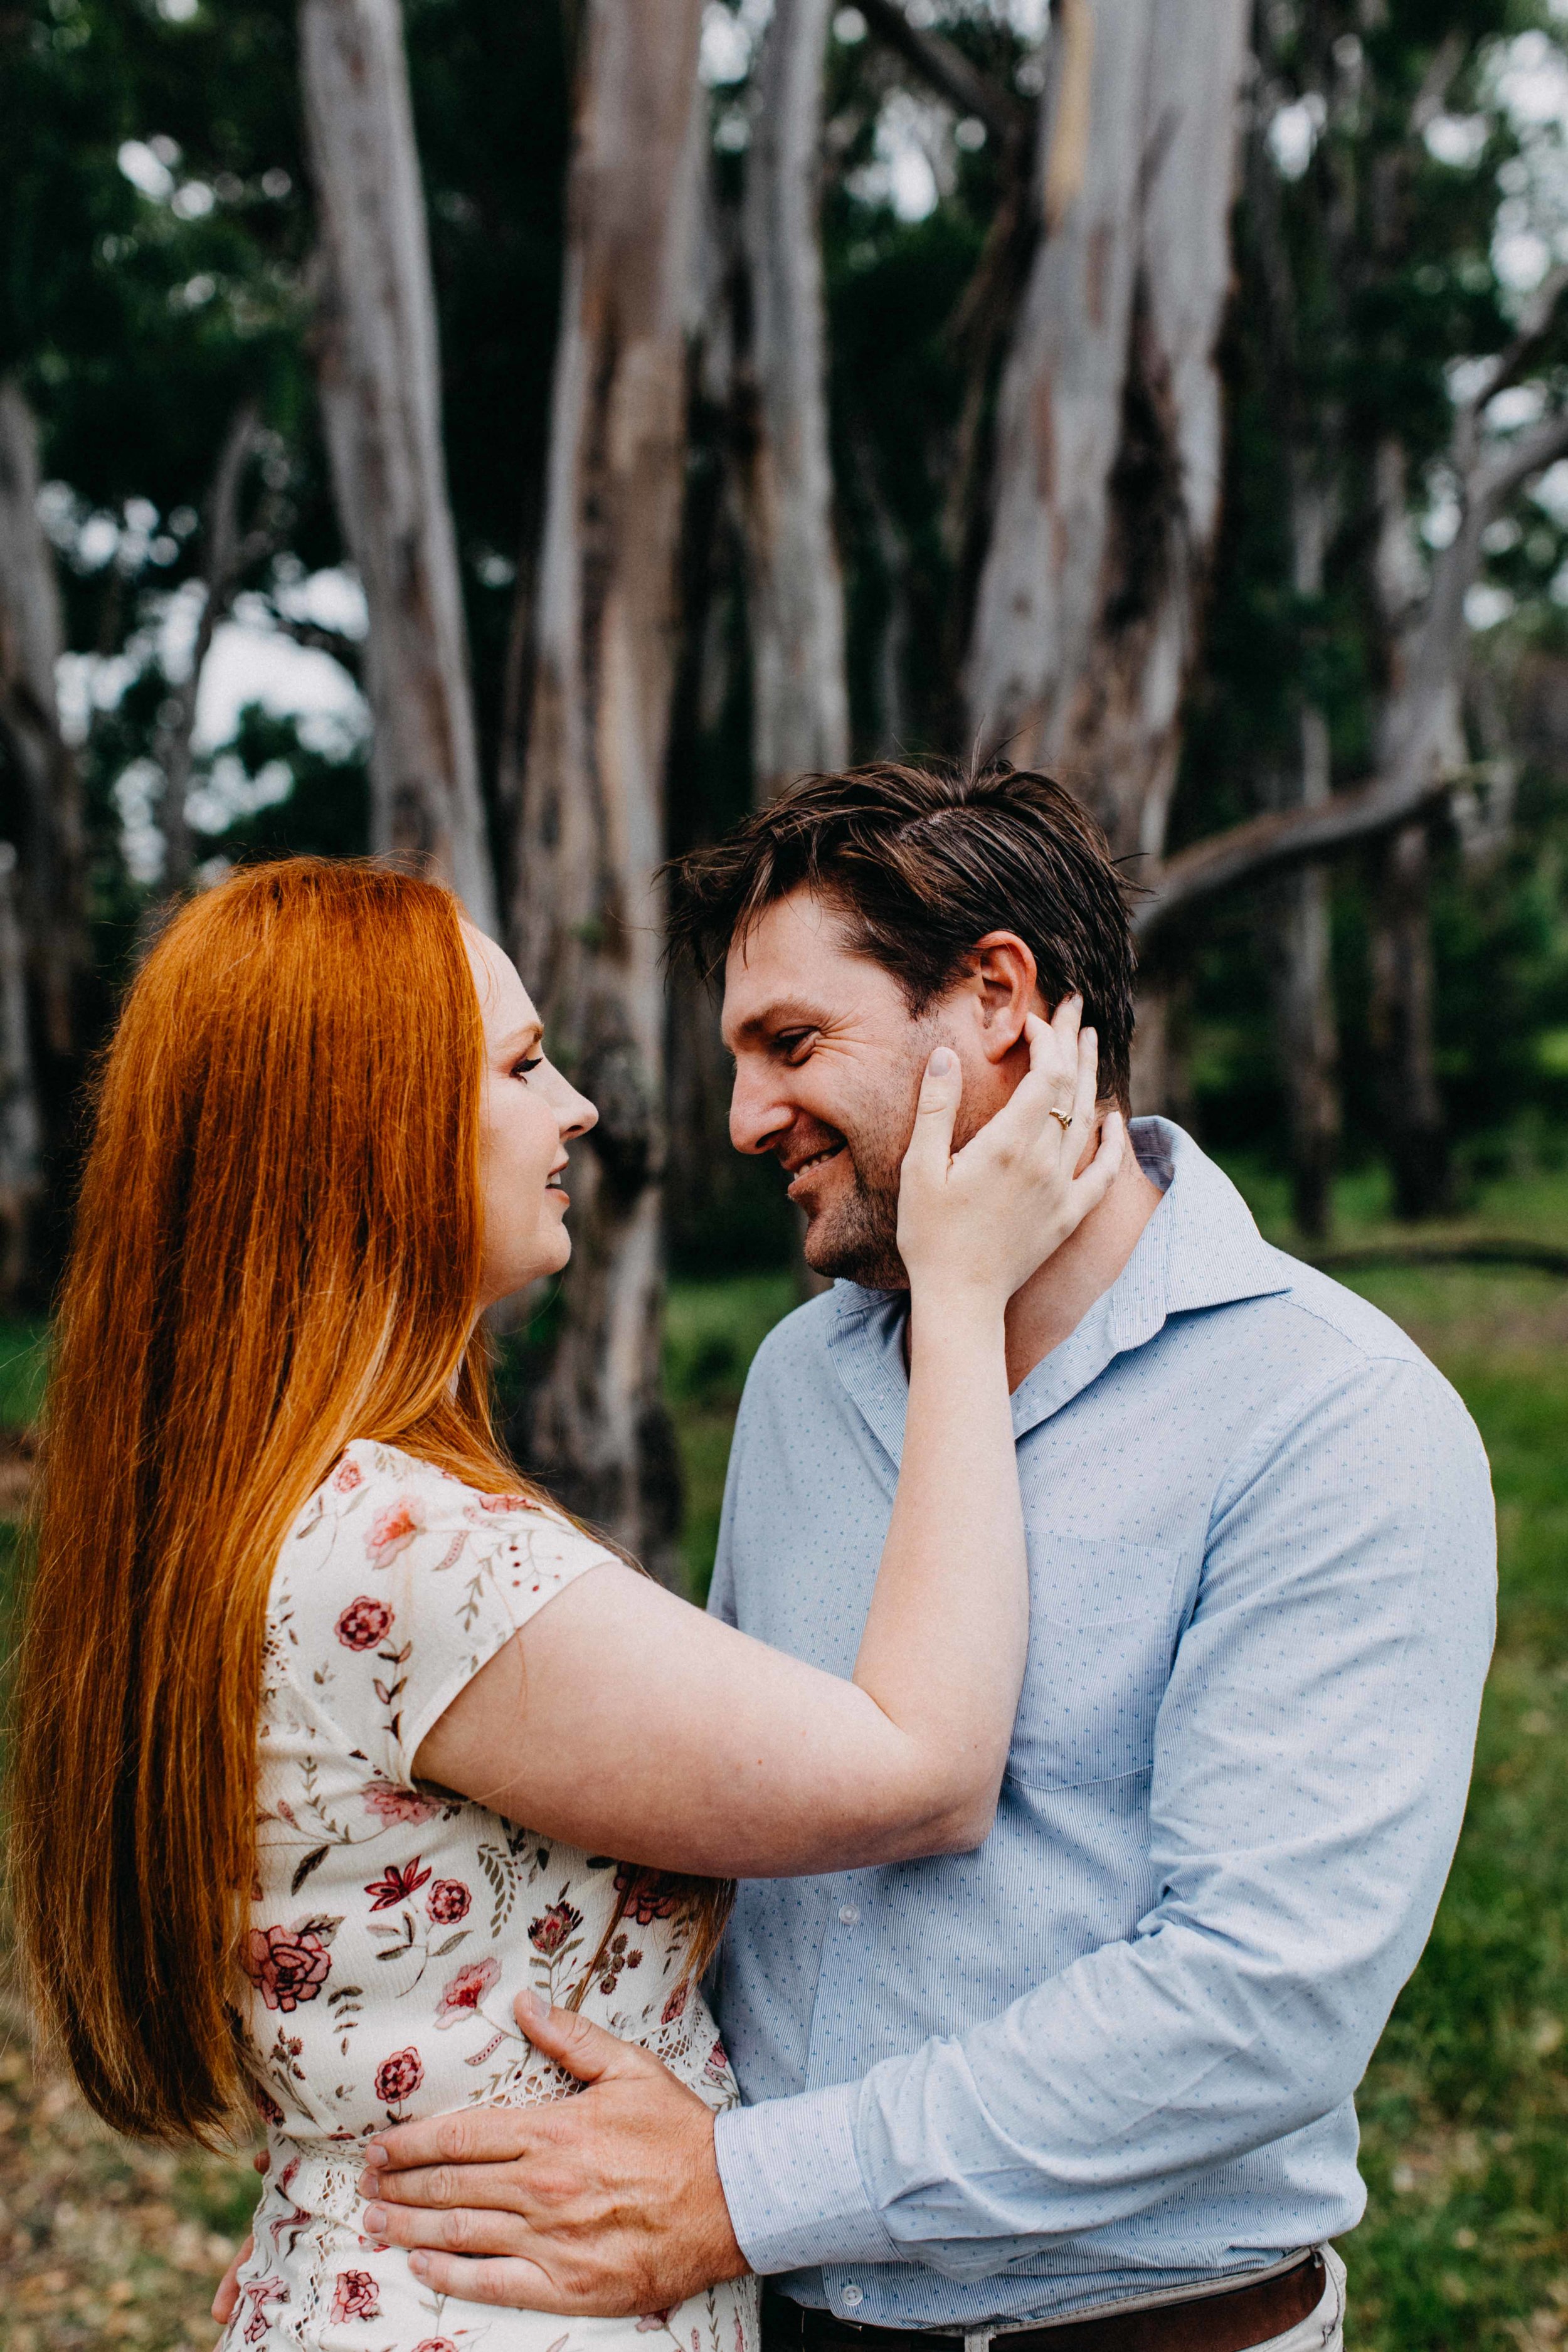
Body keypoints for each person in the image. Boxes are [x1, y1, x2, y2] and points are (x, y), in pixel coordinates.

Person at [349, 764, 1497, 2352]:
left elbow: (1254, 2012)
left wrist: (739, 2189)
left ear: (999, 1005)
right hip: (756, 2316)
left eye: (793, 1046)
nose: (745, 1118)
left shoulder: (1332, 1418)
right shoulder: (800, 1382)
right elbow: (743, 1838)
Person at [6, 854, 1121, 2352]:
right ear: (372, 1132)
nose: (578, 1107)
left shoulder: (255, 1505)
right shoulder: (407, 1552)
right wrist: (966, 1288)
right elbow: (919, 1771)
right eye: (520, 1065)